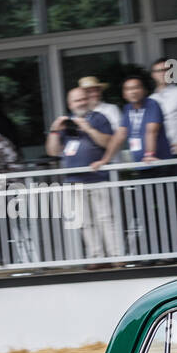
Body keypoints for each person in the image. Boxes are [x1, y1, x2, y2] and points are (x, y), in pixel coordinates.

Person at [45, 86, 120, 263]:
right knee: (85, 222)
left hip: (97, 177)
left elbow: (108, 142)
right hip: (74, 180)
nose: (82, 102)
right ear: (70, 104)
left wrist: (88, 128)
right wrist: (55, 130)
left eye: (84, 99)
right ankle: (96, 258)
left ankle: (117, 256)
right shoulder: (66, 124)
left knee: (106, 218)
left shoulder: (99, 118)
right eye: (77, 100)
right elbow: (53, 151)